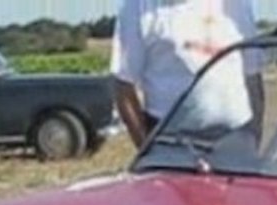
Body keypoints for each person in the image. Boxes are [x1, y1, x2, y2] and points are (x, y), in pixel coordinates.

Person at [110, 0, 264, 149]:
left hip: (235, 136)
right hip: (171, 142)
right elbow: (124, 86)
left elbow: (253, 76)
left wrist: (253, 140)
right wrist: (148, 151)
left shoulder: (236, 5)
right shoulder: (137, 7)